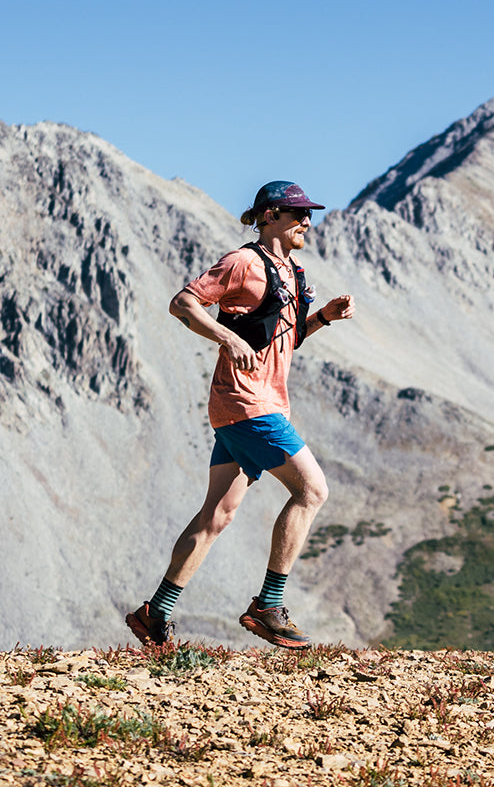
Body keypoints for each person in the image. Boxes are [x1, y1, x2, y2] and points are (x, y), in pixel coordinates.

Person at [125, 180, 354, 650]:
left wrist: (322, 318)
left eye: (308, 214)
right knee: (312, 490)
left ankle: (155, 613)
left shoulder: (293, 273)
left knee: (217, 515)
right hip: (247, 403)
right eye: (297, 213)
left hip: (249, 405)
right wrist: (226, 338)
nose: (307, 221)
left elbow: (283, 340)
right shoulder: (243, 263)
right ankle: (268, 606)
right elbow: (182, 303)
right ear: (269, 215)